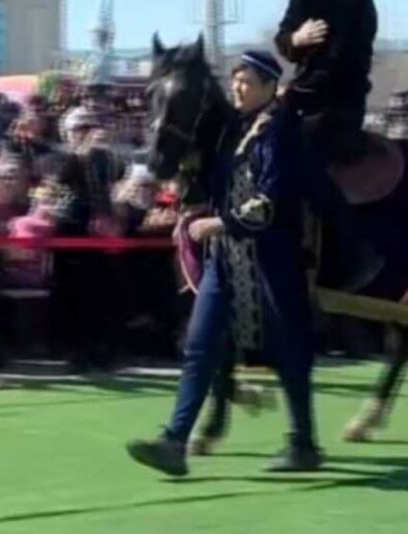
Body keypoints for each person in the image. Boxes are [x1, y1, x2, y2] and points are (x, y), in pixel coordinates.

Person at [126, 50, 322, 477]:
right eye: (235, 79)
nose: (238, 87)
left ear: (271, 87)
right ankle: (174, 441)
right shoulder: (232, 132)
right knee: (200, 346)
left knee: (290, 349)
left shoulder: (280, 132)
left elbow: (270, 201)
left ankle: (304, 442)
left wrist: (219, 222)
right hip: (226, 259)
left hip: (272, 256)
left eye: (247, 81)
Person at [273, 0, 382, 291]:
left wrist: (294, 91)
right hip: (301, 97)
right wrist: (296, 42)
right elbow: (284, 40)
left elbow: (340, 65)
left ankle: (353, 252)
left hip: (339, 105)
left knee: (303, 157)